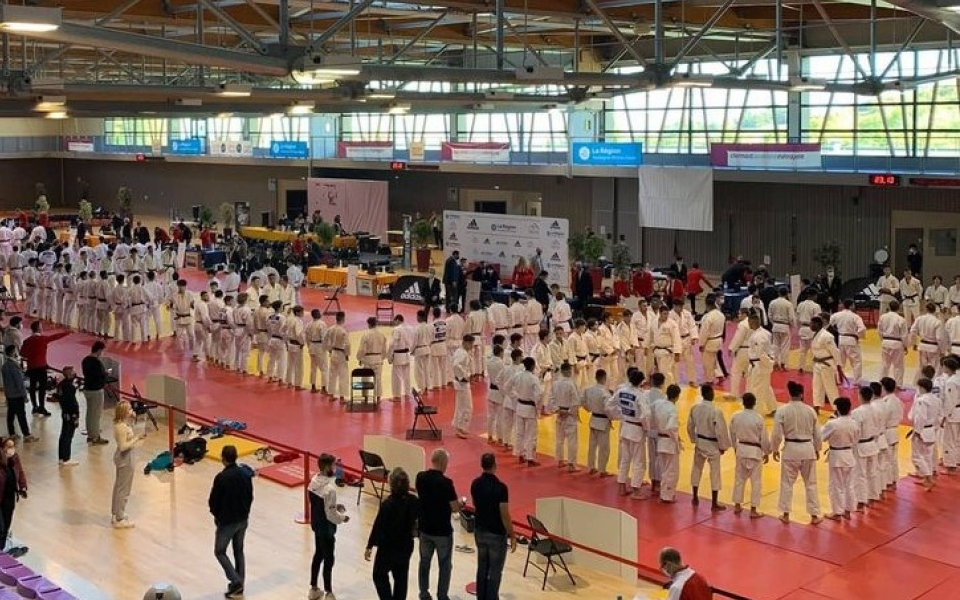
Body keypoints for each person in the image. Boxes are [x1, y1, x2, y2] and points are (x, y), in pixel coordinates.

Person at [771, 381, 823, 525]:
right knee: (811, 483)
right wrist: (817, 448)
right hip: (807, 448)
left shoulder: (782, 410)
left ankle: (786, 514)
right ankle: (814, 515)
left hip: (791, 449)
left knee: (787, 483)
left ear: (790, 394)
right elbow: (817, 433)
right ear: (801, 394)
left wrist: (774, 448)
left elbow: (776, 434)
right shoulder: (810, 411)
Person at [365, 467, 420, 600]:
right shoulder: (414, 501)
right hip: (406, 546)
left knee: (379, 575)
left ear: (391, 485)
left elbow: (378, 525)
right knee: (401, 578)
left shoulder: (387, 505)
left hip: (387, 548)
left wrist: (370, 545)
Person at [416, 449, 463, 600]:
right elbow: (455, 507)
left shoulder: (420, 477)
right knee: (445, 564)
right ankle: (442, 595)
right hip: (442, 531)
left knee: (424, 562)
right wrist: (462, 503)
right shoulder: (446, 483)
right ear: (443, 463)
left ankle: (423, 593)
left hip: (425, 528)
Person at [470, 453, 517, 600]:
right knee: (495, 571)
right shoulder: (501, 488)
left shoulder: (475, 484)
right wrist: (512, 535)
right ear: (495, 466)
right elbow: (504, 514)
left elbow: (476, 504)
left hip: (480, 530)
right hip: (496, 534)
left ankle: (481, 597)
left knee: (482, 567)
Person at [209, 445, 254, 599]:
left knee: (220, 551)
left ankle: (236, 582)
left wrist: (217, 516)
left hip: (227, 522)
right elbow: (250, 496)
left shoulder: (221, 478)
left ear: (223, 458)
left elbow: (213, 502)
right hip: (243, 519)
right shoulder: (245, 474)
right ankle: (240, 584)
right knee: (238, 551)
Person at [308, 453, 350, 600]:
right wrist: (343, 518)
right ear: (327, 467)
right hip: (326, 529)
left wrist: (334, 506)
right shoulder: (330, 490)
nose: (335, 468)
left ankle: (313, 588)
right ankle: (328, 592)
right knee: (329, 559)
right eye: (333, 466)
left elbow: (321, 505)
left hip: (316, 526)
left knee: (318, 554)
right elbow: (330, 515)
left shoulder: (312, 481)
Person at [688, 384, 731, 511]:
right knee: (715, 473)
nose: (713, 394)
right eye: (712, 392)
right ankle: (714, 503)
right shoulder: (715, 411)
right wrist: (723, 446)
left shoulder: (695, 408)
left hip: (700, 442)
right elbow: (720, 431)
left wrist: (694, 440)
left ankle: (695, 496)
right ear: (708, 394)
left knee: (696, 469)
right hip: (712, 444)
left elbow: (690, 427)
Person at [610, 369, 649, 498]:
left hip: (625, 427)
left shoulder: (621, 391)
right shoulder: (640, 395)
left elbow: (609, 405)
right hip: (636, 429)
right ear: (641, 382)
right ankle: (636, 490)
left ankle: (622, 486)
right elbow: (645, 415)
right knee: (639, 461)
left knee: (625, 459)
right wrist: (646, 428)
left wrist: (619, 416)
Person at [20, 320, 69, 417]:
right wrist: (67, 332)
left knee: (33, 387)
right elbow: (55, 337)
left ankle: (35, 407)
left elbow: (22, 354)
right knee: (42, 388)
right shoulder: (43, 339)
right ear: (38, 328)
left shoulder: (27, 340)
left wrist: (31, 355)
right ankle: (42, 407)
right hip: (42, 367)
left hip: (32, 367)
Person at [820, 397, 859, 520]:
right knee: (849, 485)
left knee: (836, 485)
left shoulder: (833, 423)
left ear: (837, 409)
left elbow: (821, 437)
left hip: (837, 456)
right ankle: (848, 510)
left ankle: (837, 512)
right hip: (849, 455)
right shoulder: (854, 423)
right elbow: (856, 440)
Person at [111, 400, 145, 528]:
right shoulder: (121, 427)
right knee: (123, 489)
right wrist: (137, 438)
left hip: (127, 456)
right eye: (129, 409)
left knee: (119, 486)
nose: (132, 411)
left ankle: (116, 512)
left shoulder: (123, 424)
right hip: (125, 457)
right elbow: (123, 446)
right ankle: (119, 517)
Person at [851, 386, 883, 509]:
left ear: (861, 396)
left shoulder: (857, 412)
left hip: (861, 445)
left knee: (860, 474)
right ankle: (873, 497)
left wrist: (852, 444)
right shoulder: (876, 409)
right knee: (872, 472)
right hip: (873, 444)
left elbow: (856, 431)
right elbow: (879, 427)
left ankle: (861, 501)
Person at [652, 384, 682, 503]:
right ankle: (667, 495)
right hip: (669, 443)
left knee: (664, 469)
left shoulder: (658, 404)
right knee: (671, 470)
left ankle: (663, 493)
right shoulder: (672, 409)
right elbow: (671, 427)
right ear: (676, 397)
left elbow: (650, 413)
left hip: (660, 440)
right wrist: (676, 438)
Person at [1, 346, 36, 442]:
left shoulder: (4, 365)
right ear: (13, 353)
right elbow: (19, 382)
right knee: (21, 415)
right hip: (17, 395)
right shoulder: (14, 365)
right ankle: (27, 435)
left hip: (9, 394)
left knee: (11, 414)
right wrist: (24, 395)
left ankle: (12, 433)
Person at [513, 356, 543, 466]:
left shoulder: (518, 375)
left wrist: (516, 396)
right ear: (532, 366)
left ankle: (520, 454)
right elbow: (539, 395)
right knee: (530, 434)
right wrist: (538, 407)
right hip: (530, 408)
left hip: (520, 405)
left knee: (520, 433)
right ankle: (530, 458)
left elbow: (509, 386)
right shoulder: (533, 378)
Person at [551, 362, 581, 472]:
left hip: (559, 414)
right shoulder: (571, 384)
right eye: (569, 370)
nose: (570, 372)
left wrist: (558, 410)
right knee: (572, 441)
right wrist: (567, 411)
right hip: (569, 416)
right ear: (566, 371)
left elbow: (551, 400)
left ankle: (560, 460)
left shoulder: (555, 383)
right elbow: (576, 401)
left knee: (559, 439)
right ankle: (571, 465)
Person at [0, 438, 27, 557]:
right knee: (0, 529)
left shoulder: (15, 458)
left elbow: (20, 471)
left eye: (13, 446)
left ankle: (2, 550)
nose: (11, 449)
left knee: (6, 525)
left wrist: (23, 486)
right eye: (8, 447)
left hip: (9, 498)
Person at [909, 378, 938, 491]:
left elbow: (921, 417)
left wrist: (917, 431)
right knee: (927, 456)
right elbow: (938, 415)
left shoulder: (922, 400)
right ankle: (927, 479)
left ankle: (929, 478)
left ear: (921, 388)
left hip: (922, 430)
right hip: (931, 430)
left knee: (916, 456)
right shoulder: (936, 399)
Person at [81, 341, 110, 445]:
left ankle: (90, 434)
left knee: (89, 413)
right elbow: (100, 376)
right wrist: (106, 374)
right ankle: (96, 436)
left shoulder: (85, 360)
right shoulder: (97, 362)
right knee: (96, 414)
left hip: (87, 388)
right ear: (99, 350)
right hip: (96, 390)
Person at [877, 300, 909, 387]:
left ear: (889, 307)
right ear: (898, 308)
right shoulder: (901, 319)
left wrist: (883, 340)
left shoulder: (882, 317)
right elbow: (904, 335)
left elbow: (879, 331)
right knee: (898, 366)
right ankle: (898, 385)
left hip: (885, 342)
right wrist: (905, 345)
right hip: (897, 343)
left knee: (884, 364)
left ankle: (881, 383)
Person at [57, 366, 81, 466]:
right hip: (70, 414)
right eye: (72, 372)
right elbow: (72, 403)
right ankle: (66, 458)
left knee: (63, 435)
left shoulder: (61, 385)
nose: (75, 373)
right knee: (68, 435)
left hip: (64, 412)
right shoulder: (69, 387)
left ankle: (61, 457)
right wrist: (75, 416)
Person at [942, 356, 960, 474]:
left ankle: (951, 466)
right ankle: (957, 460)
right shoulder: (958, 378)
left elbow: (950, 401)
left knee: (950, 439)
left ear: (948, 368)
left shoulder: (951, 382)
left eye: (944, 366)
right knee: (958, 438)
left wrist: (944, 415)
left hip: (953, 412)